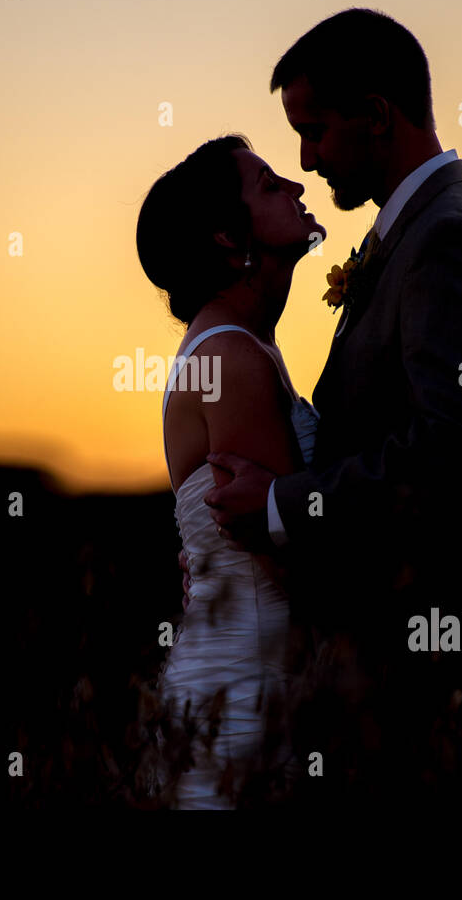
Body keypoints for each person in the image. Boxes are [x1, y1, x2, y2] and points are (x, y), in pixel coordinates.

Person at [196, 8, 462, 801]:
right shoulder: (414, 233)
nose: (305, 157)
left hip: (452, 652)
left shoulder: (449, 237)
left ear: (377, 116)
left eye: (316, 130)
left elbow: (459, 449)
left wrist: (286, 504)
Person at [136, 133, 326, 808]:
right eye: (273, 184)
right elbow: (296, 557)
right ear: (226, 236)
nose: (300, 188)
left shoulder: (237, 348)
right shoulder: (234, 361)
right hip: (250, 694)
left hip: (234, 677)